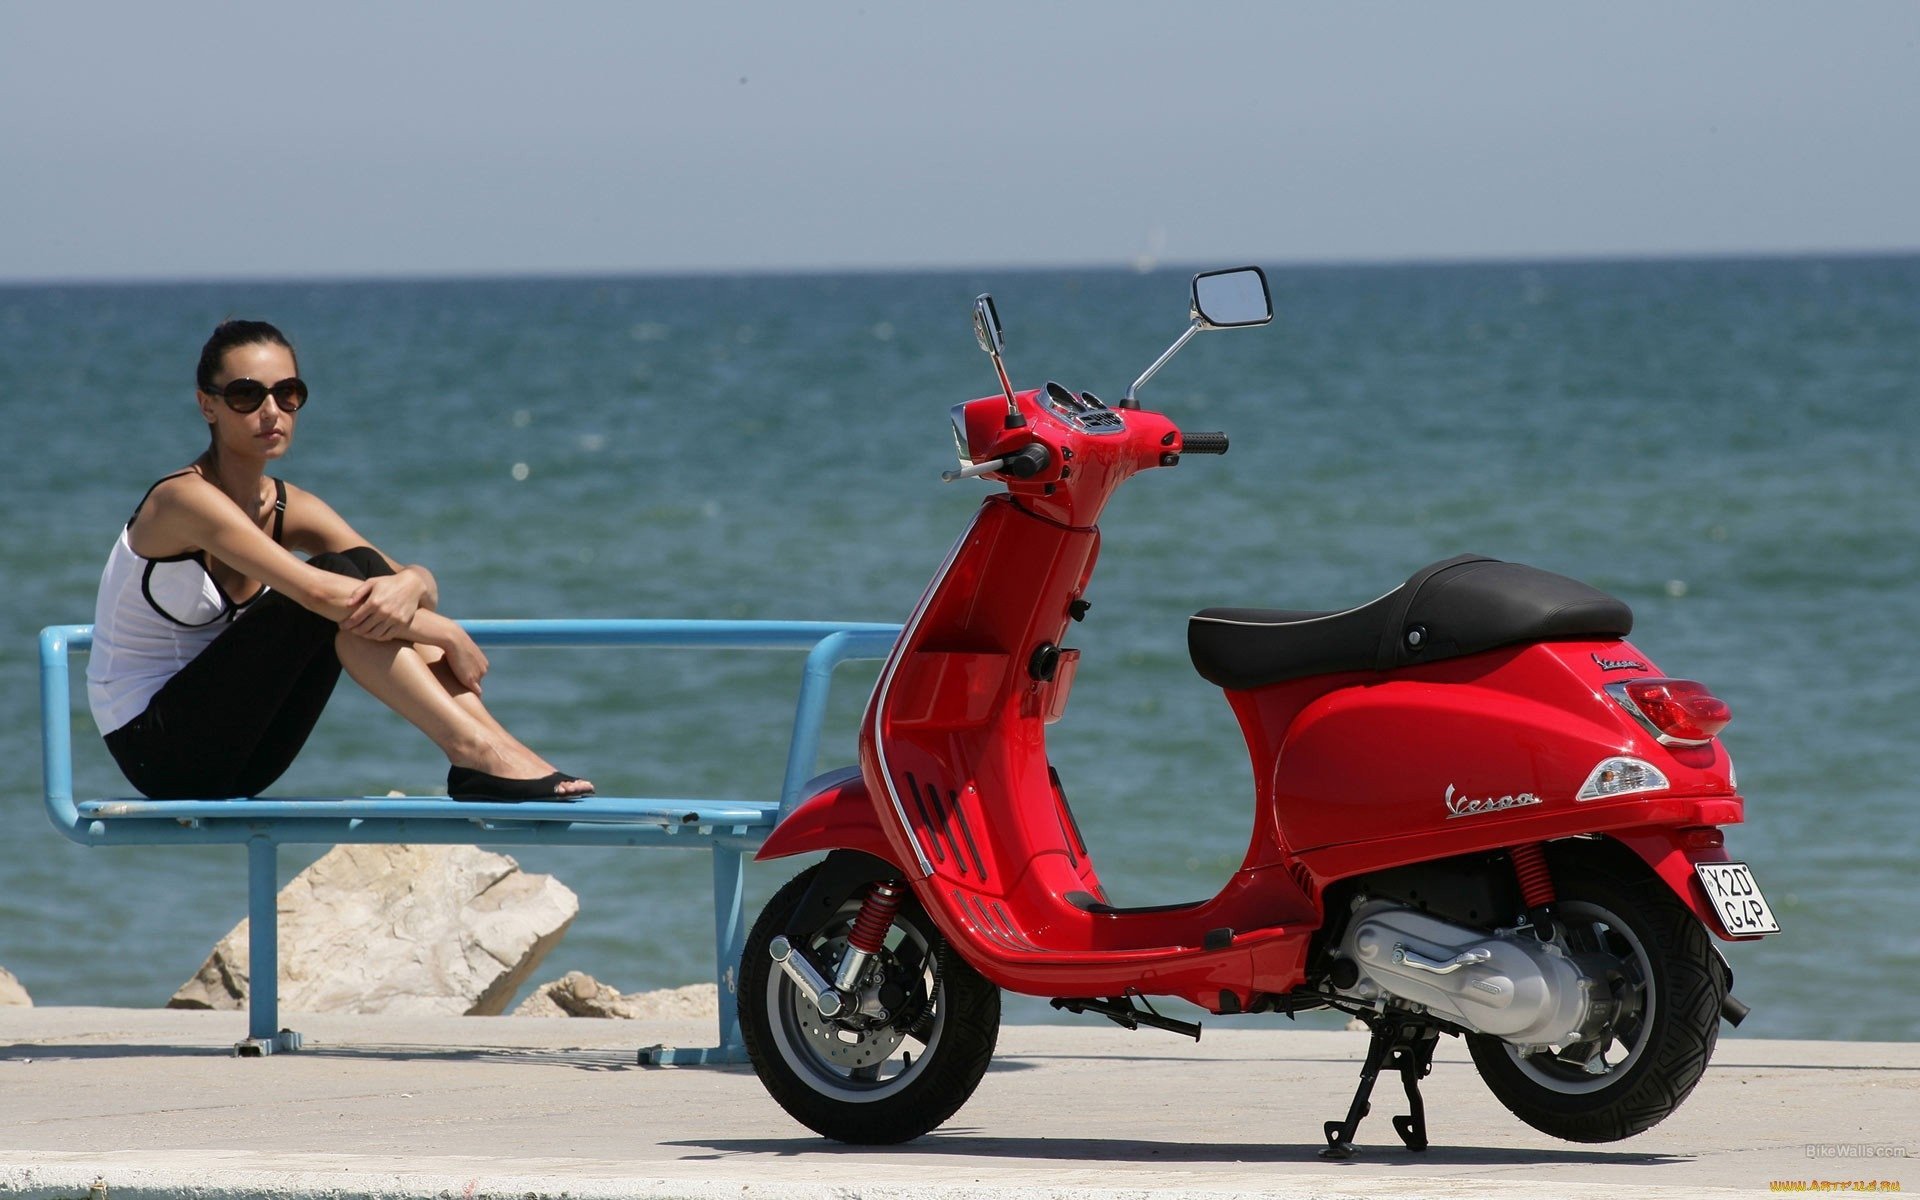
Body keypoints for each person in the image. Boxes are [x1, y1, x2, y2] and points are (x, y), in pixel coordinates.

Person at [86, 319, 593, 803]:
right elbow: (317, 593)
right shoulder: (181, 500)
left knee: (365, 575)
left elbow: (403, 584)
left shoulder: (290, 506)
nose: (271, 412)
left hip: (250, 752)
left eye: (287, 394)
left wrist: (416, 578)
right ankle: (474, 752)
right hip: (157, 750)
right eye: (246, 394)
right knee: (335, 577)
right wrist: (445, 632)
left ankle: (496, 749)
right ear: (207, 406)